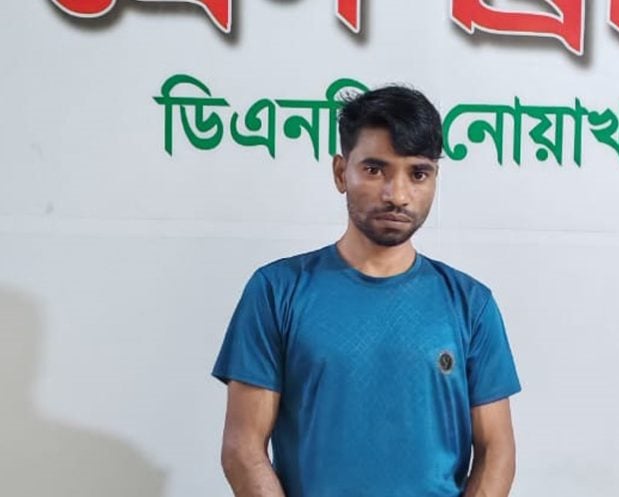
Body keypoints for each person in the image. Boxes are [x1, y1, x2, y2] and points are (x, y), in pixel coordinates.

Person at [212, 85, 521, 497]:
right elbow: (242, 449)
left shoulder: (471, 304)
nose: (398, 195)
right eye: (375, 170)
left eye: (418, 173)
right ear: (341, 173)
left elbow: (497, 451)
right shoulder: (276, 291)